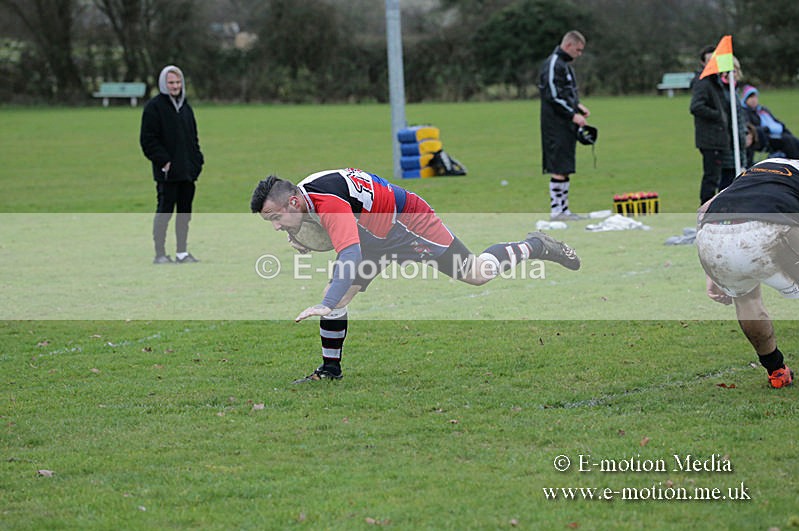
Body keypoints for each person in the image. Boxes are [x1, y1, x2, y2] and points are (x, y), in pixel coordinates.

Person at [250, 168, 581, 383]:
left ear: (293, 200)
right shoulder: (306, 196)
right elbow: (334, 232)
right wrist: (300, 235)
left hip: (408, 223)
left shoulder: (326, 201)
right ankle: (330, 370)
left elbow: (348, 253)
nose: (277, 226)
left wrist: (325, 302)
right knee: (341, 294)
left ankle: (536, 245)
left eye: (276, 218)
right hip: (374, 236)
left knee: (477, 273)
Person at [696, 157, 799, 389]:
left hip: (712, 236)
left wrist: (711, 274)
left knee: (746, 301)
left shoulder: (754, 171)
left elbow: (703, 210)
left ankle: (777, 372)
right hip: (767, 230)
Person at [140, 65, 204, 264]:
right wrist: (164, 162)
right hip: (167, 174)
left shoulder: (186, 107)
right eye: (171, 83)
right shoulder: (154, 107)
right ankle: (160, 253)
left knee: (184, 215)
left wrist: (197, 161)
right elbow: (148, 140)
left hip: (187, 173)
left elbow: (193, 138)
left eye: (178, 82)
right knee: (164, 213)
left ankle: (182, 253)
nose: (175, 86)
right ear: (163, 84)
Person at [539, 30, 590, 221]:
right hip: (555, 124)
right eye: (578, 50)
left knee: (566, 166)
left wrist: (578, 106)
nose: (579, 54)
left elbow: (566, 94)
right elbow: (552, 95)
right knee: (558, 166)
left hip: (567, 123)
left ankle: (564, 209)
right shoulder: (553, 64)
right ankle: (556, 211)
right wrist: (572, 114)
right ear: (568, 46)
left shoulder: (565, 66)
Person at [689, 50, 747, 205]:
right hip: (712, 140)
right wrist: (719, 115)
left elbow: (736, 115)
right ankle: (706, 212)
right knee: (713, 178)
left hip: (728, 140)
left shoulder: (725, 87)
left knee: (729, 177)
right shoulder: (704, 82)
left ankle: (724, 210)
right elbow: (696, 107)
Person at [741, 85, 799, 166]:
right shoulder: (745, 112)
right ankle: (795, 163)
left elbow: (774, 120)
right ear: (746, 99)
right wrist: (767, 129)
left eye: (755, 97)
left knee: (794, 140)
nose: (754, 100)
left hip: (777, 134)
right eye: (751, 98)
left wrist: (780, 126)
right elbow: (751, 128)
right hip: (765, 138)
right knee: (788, 141)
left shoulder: (763, 109)